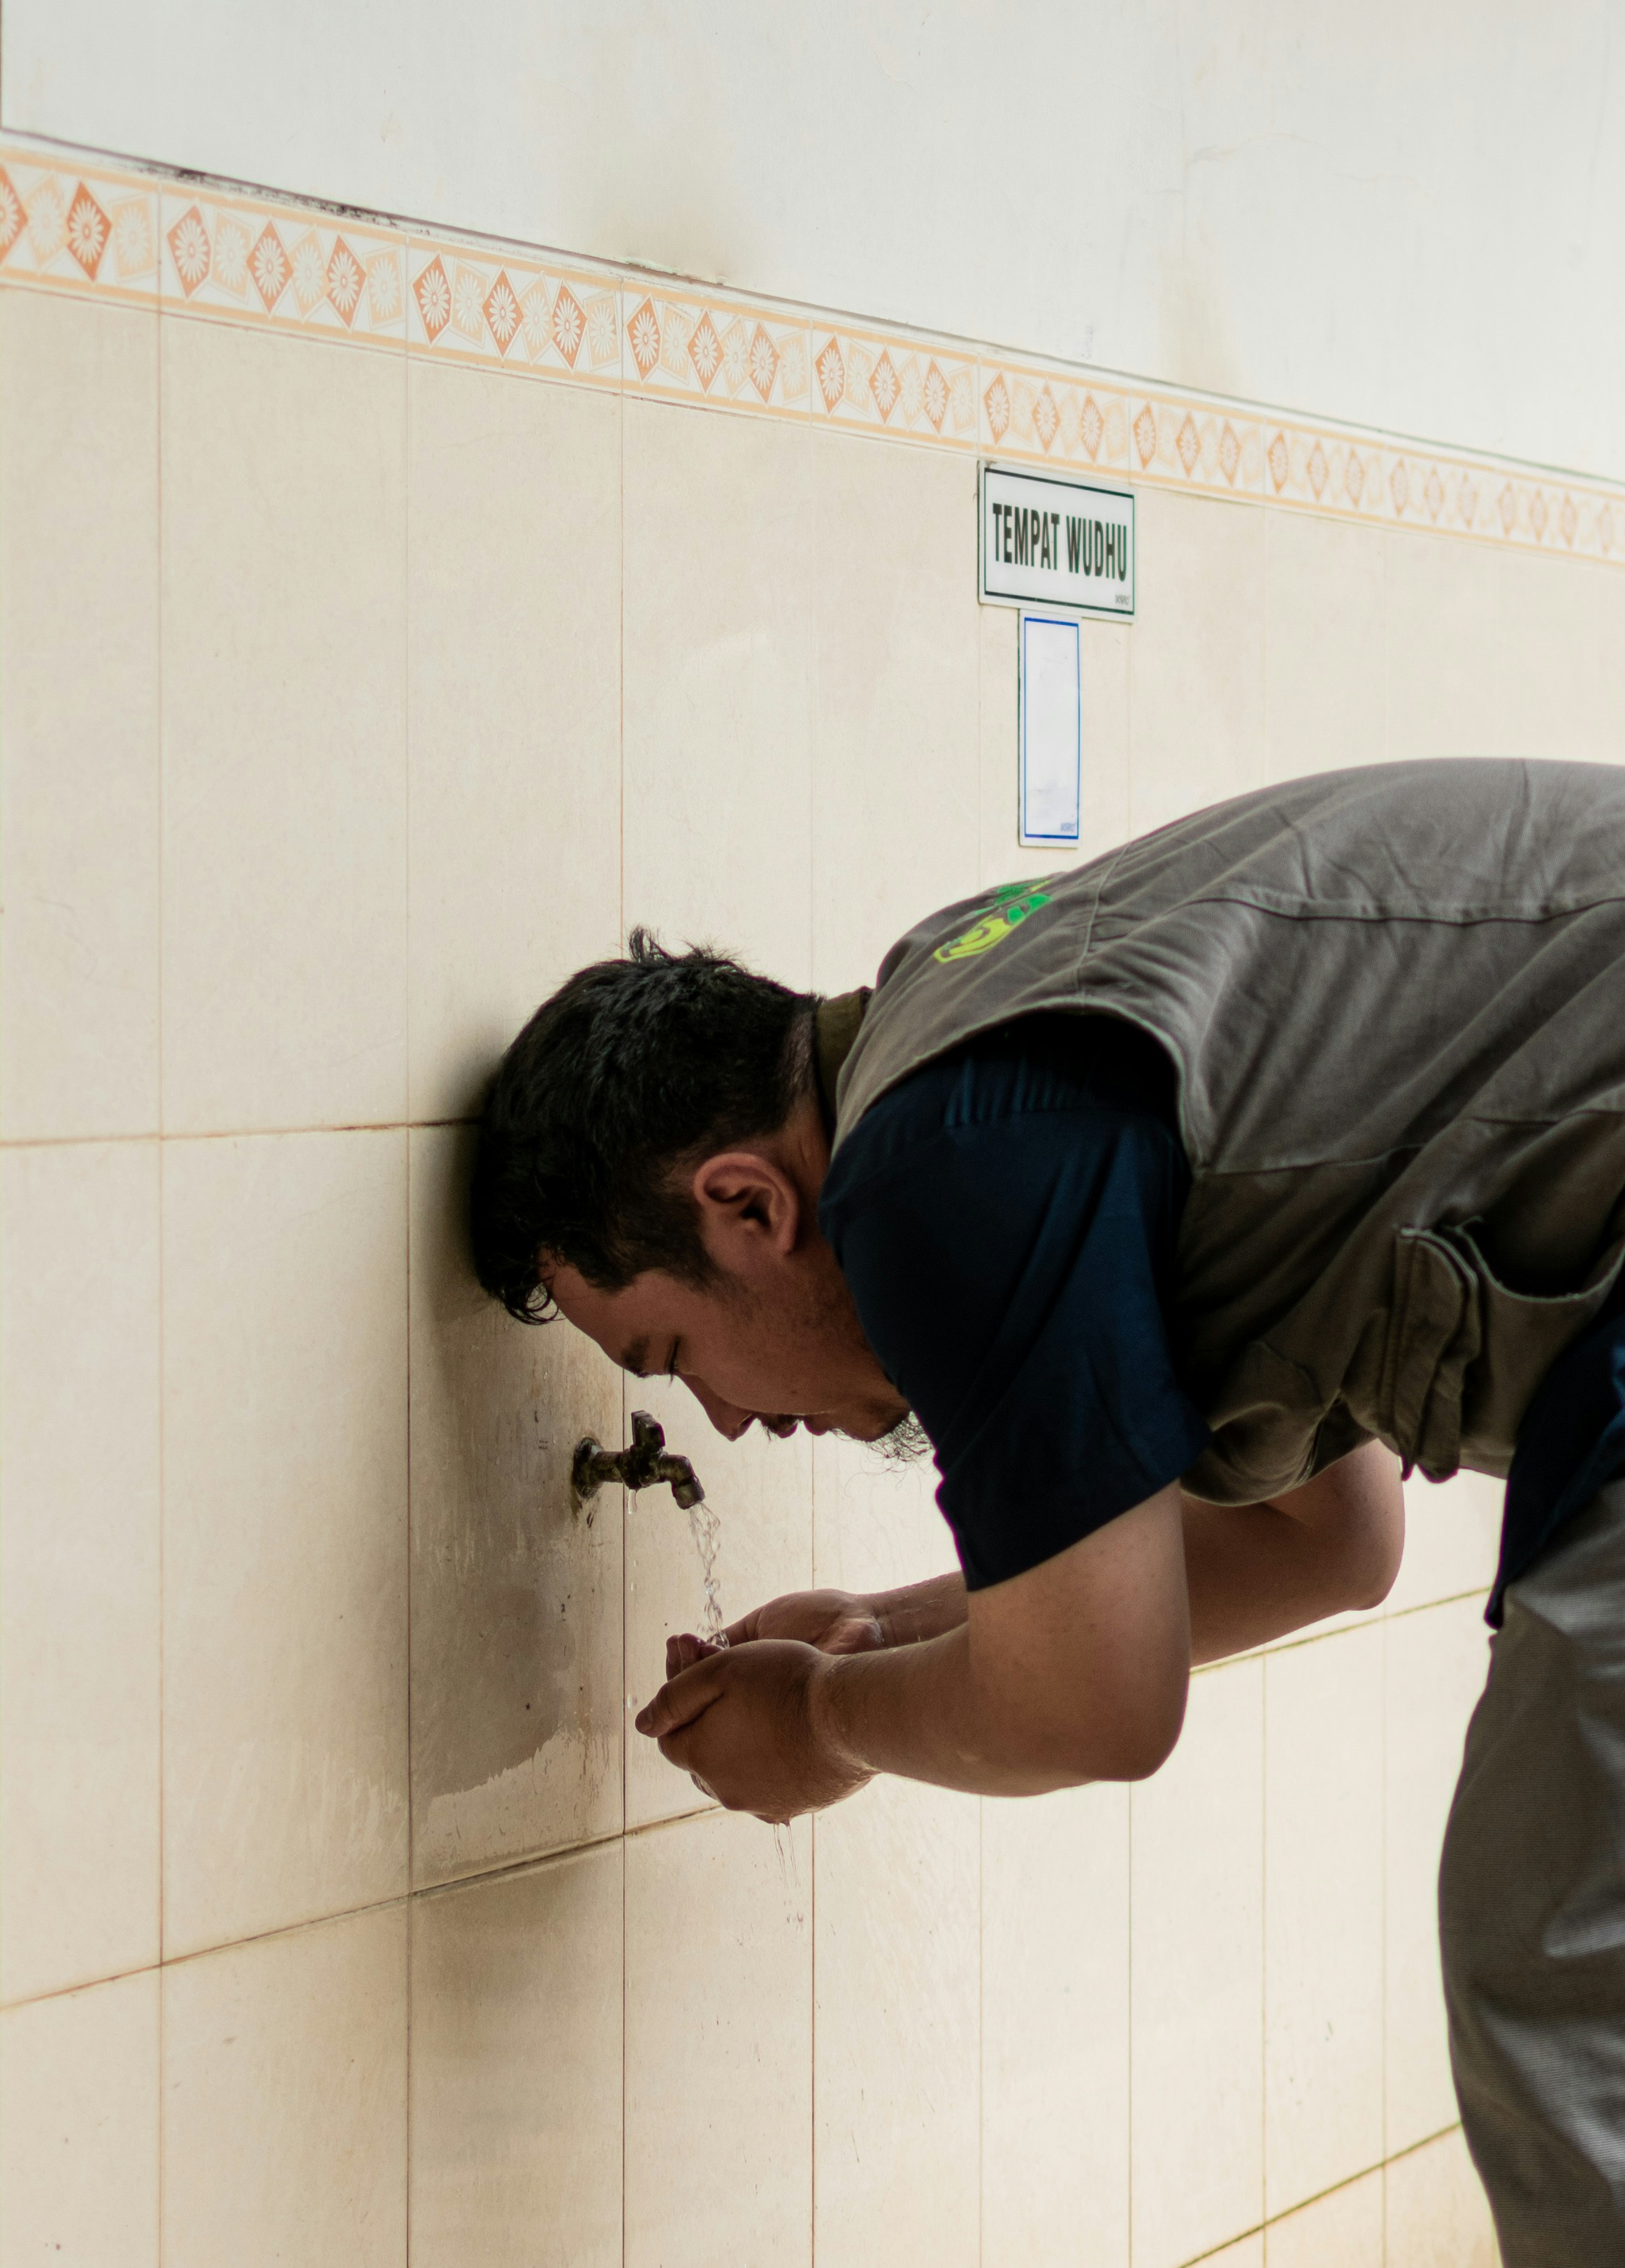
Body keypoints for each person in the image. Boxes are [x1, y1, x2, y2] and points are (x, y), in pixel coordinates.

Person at [470, 758, 1625, 2268]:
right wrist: (878, 1627)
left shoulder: (942, 1166)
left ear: (746, 1204)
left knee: (1563, 1972)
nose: (729, 1421)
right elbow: (1326, 1542)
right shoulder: (973, 1029)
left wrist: (821, 1721)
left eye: (672, 1354)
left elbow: (1095, 1706)